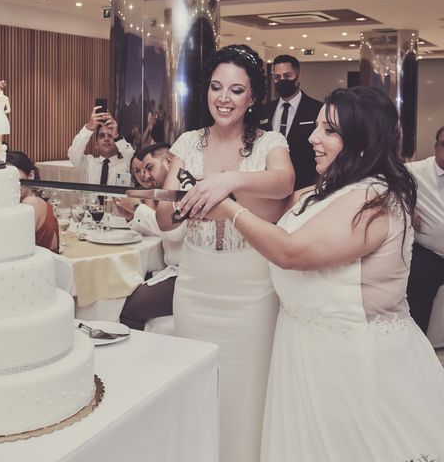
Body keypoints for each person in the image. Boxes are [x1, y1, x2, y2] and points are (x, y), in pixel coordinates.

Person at [182, 86, 444, 460]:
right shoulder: (330, 188)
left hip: (352, 365)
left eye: (329, 131)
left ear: (362, 140)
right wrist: (228, 182)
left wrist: (229, 210)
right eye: (318, 126)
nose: (312, 137)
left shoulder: (373, 200)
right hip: (309, 351)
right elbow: (277, 206)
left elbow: (290, 252)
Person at [156, 44, 295, 461]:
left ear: (253, 98)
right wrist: (183, 206)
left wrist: (225, 182)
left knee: (245, 392)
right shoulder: (187, 142)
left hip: (251, 289)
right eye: (217, 87)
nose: (224, 98)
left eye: (236, 90)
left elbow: (284, 183)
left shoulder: (270, 141)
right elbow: (164, 217)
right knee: (198, 386)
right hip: (196, 284)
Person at [118, 143, 185, 331]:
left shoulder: (183, 188)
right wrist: (132, 215)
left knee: (126, 307)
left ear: (169, 162)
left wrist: (137, 208)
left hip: (184, 275)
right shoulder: (165, 193)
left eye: (150, 168)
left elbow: (173, 232)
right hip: (172, 271)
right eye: (141, 171)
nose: (146, 176)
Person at [259, 54, 323, 190]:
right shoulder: (264, 110)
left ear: (299, 76)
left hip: (306, 186)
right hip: (270, 185)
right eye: (277, 77)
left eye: (287, 76)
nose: (282, 80)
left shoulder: (317, 109)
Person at [405, 125, 444, 334]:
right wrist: (406, 204)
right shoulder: (414, 171)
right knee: (419, 275)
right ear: (436, 146)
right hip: (430, 253)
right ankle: (415, 341)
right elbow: (385, 184)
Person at [6, 151, 59, 253]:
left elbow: (14, 247)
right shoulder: (25, 202)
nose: (9, 185)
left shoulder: (31, 203)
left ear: (31, 176)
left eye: (14, 178)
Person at [68, 106, 134, 185]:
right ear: (96, 145)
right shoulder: (88, 163)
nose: (106, 139)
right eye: (102, 136)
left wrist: (117, 137)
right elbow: (73, 154)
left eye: (110, 135)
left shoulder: (125, 165)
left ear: (117, 143)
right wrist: (89, 128)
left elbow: (133, 158)